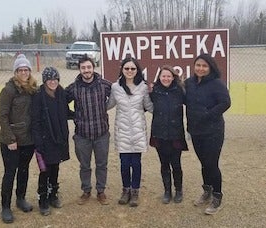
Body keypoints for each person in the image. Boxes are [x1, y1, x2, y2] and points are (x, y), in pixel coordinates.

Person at [185, 54, 231, 215]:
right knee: (204, 163)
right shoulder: (189, 83)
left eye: (204, 66)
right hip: (196, 131)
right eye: (198, 65)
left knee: (212, 164)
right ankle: (207, 191)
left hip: (213, 131)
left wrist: (207, 114)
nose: (201, 68)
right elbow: (184, 100)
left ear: (210, 67)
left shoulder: (216, 84)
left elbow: (226, 103)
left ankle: (217, 197)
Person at [65, 56, 112, 205]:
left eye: (89, 67)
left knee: (101, 164)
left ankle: (100, 191)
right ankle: (86, 190)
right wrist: (72, 115)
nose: (86, 70)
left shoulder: (104, 85)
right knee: (84, 165)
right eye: (83, 68)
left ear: (93, 68)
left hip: (101, 133)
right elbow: (60, 101)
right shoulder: (74, 88)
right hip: (82, 135)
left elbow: (119, 95)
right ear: (80, 69)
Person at [107, 57, 153, 207]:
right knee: (124, 163)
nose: (130, 71)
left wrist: (165, 104)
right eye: (127, 68)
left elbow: (149, 106)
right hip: (122, 130)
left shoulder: (143, 87)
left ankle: (135, 192)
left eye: (133, 68)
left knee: (136, 163)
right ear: (122, 70)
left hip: (138, 130)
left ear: (137, 70)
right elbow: (109, 104)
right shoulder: (115, 87)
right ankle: (125, 190)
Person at [0, 54, 38, 223]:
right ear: (15, 72)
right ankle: (5, 207)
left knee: (23, 171)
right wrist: (10, 139)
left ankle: (20, 198)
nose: (23, 72)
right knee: (10, 172)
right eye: (20, 70)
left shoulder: (33, 89)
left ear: (29, 71)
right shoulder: (8, 91)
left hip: (28, 139)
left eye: (26, 69)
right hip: (12, 141)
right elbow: (3, 116)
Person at [31, 67, 71, 216]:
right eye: (49, 79)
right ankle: (43, 199)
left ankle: (53, 194)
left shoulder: (61, 93)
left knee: (55, 168)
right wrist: (38, 142)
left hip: (58, 138)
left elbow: (66, 112)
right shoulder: (38, 95)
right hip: (45, 140)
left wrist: (80, 115)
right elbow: (35, 121)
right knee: (45, 170)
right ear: (45, 81)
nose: (53, 82)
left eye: (55, 79)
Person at [149, 65, 188, 204]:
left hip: (175, 134)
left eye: (168, 76)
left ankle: (178, 190)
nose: (166, 78)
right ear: (159, 77)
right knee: (164, 163)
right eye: (163, 76)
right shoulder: (154, 92)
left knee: (176, 164)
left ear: (173, 77)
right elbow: (144, 105)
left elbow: (192, 104)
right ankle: (167, 191)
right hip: (159, 133)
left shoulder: (180, 91)